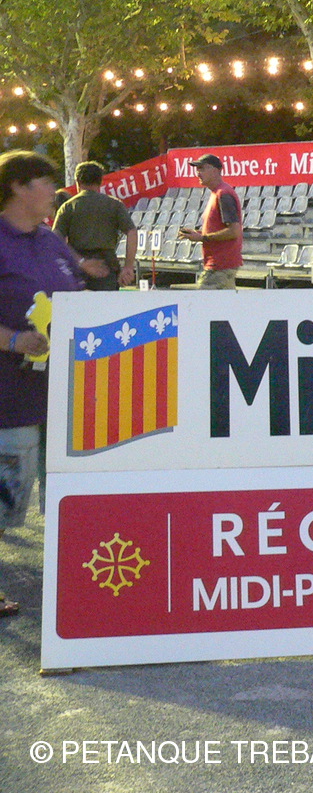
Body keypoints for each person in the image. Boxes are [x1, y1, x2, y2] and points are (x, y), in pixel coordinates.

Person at [0, 151, 103, 618]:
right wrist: (13, 340)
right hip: (9, 396)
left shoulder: (51, 240)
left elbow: (77, 302)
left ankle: (77, 581)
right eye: (45, 182)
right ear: (18, 187)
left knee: (64, 491)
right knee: (8, 495)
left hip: (63, 394)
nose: (55, 191)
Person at [52, 160, 137, 290]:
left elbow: (56, 239)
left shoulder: (68, 207)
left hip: (77, 269)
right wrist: (128, 266)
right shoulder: (114, 204)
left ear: (77, 181)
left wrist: (81, 262)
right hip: (106, 268)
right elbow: (132, 232)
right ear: (100, 181)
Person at [178, 154, 243, 289]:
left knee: (203, 301)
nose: (198, 173)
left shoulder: (223, 194)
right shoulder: (219, 193)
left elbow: (234, 231)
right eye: (197, 169)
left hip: (219, 266)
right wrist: (198, 234)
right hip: (221, 265)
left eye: (202, 168)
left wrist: (202, 238)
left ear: (215, 170)